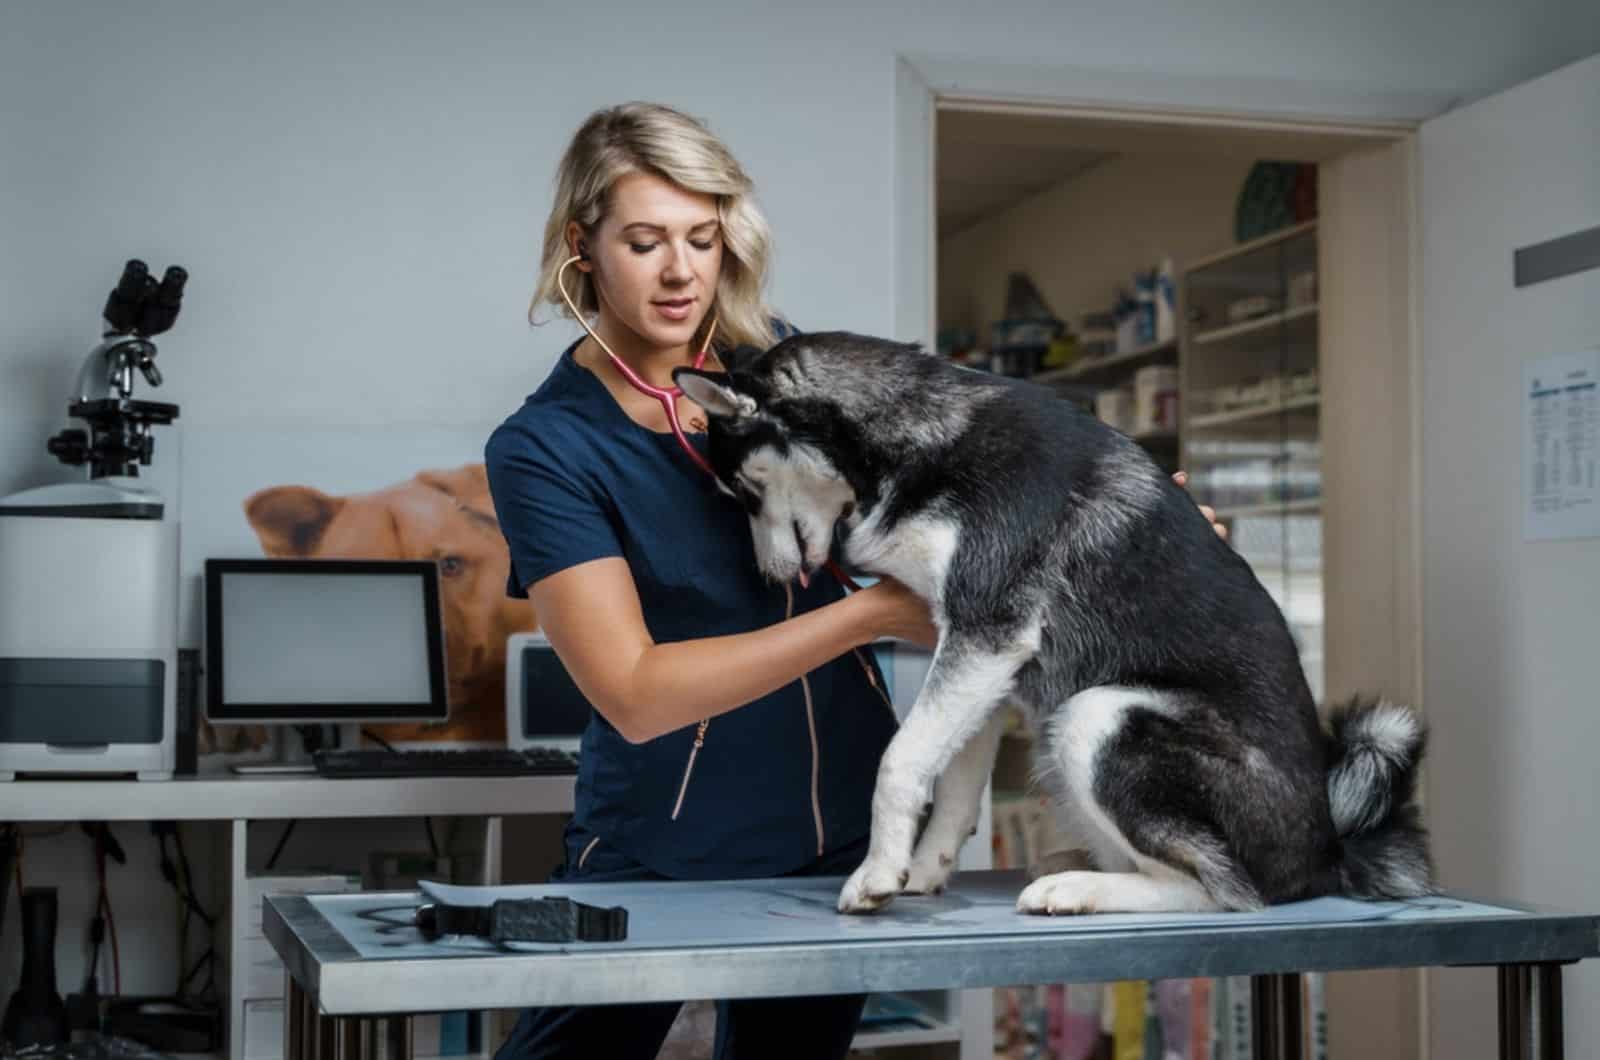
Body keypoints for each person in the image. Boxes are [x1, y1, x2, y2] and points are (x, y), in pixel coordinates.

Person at [485, 101, 1225, 1060]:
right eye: (643, 240)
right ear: (582, 246)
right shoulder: (549, 448)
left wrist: (1123, 532)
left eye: (702, 239)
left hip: (835, 838)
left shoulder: (788, 366)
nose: (680, 271)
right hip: (660, 851)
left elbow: (974, 475)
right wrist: (871, 616)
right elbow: (631, 694)